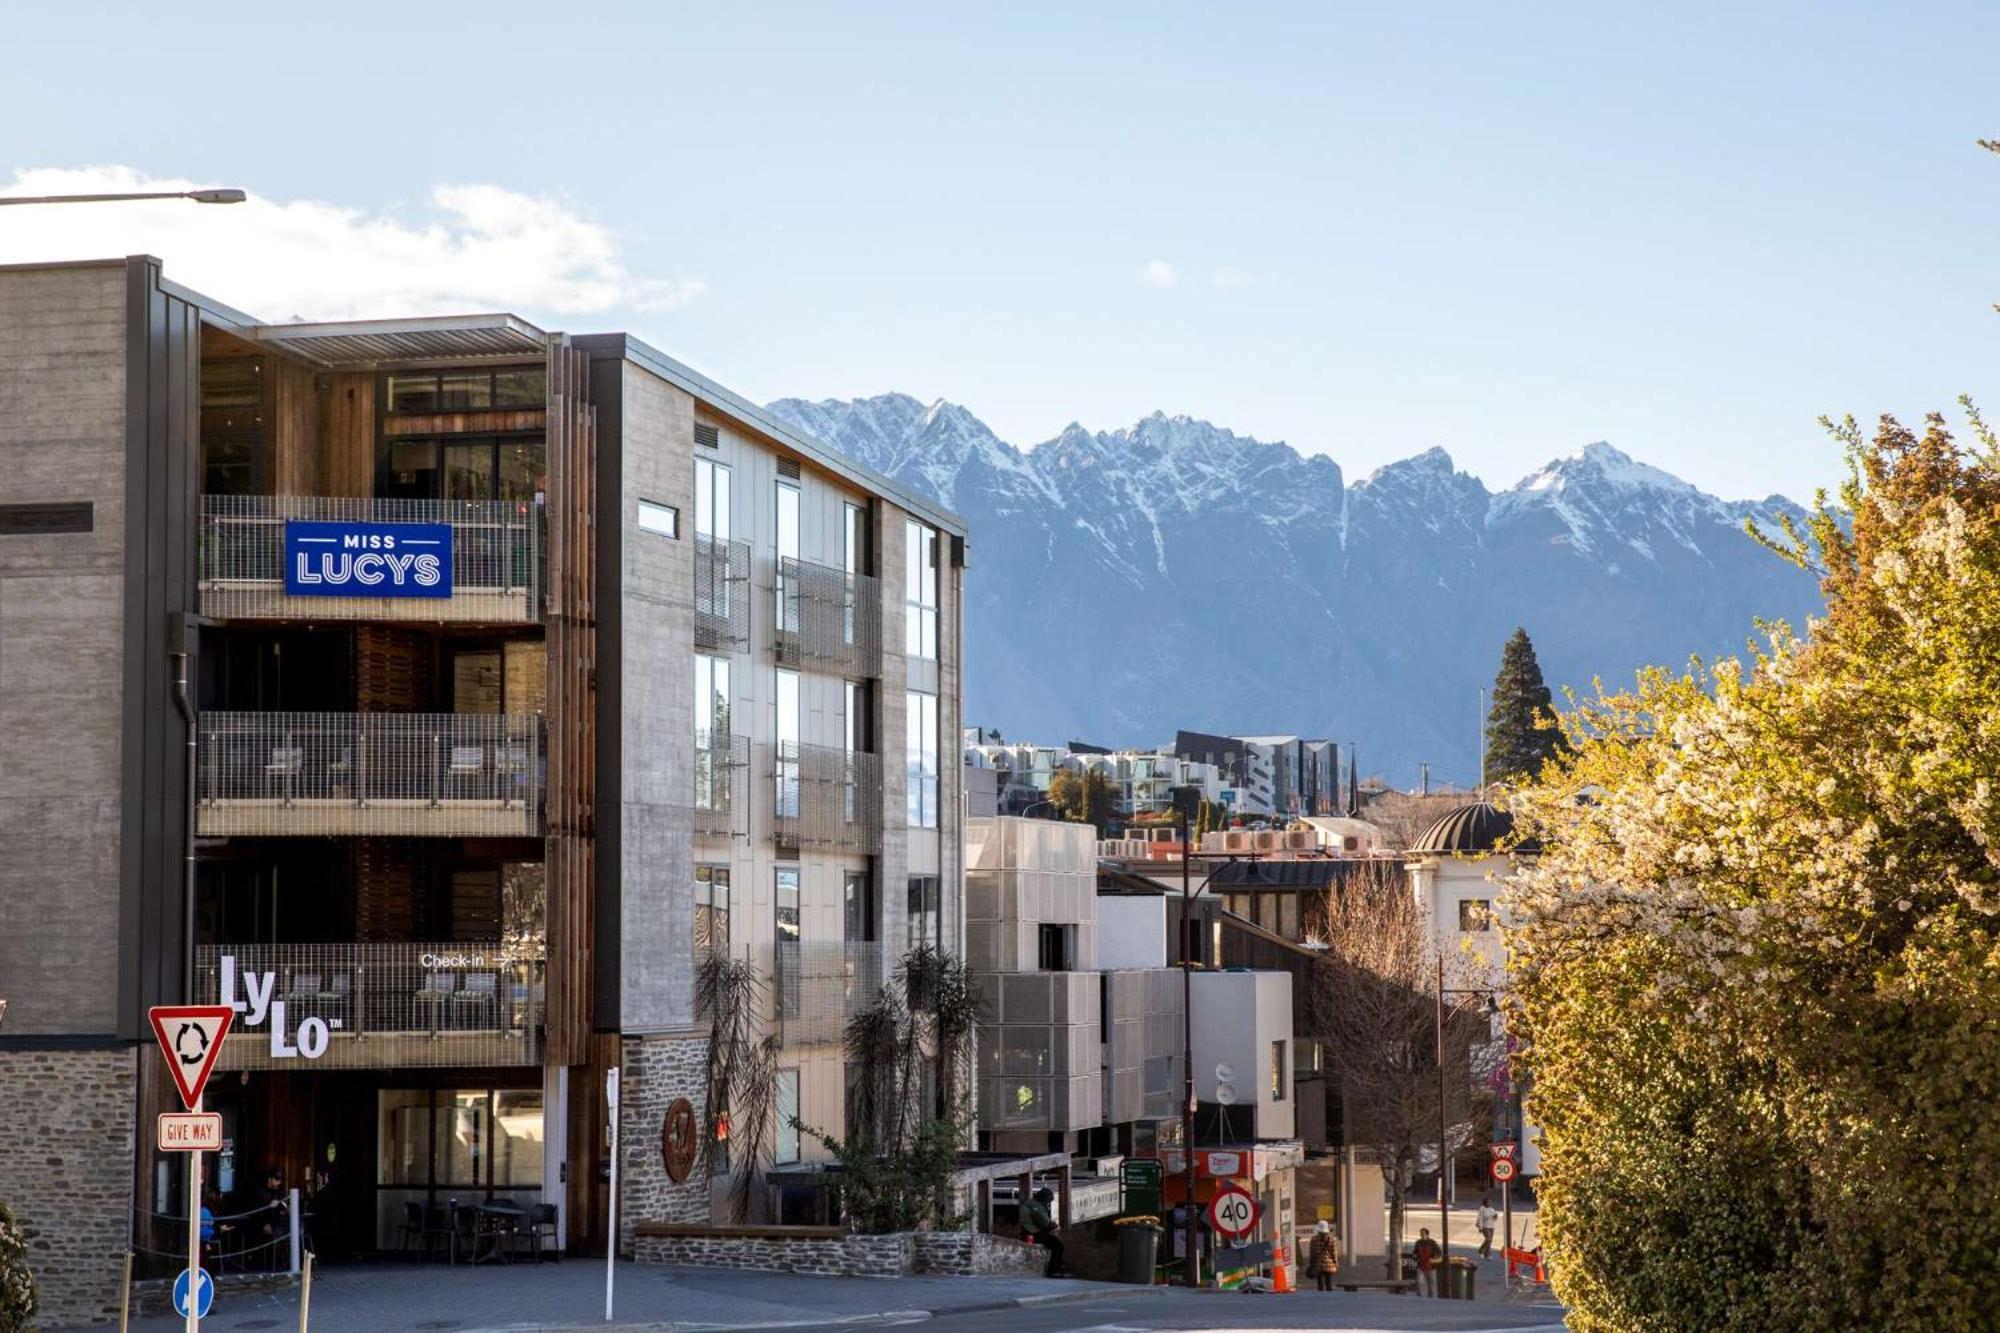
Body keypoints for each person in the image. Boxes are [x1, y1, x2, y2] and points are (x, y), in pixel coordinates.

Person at [1022, 1186, 1067, 1277]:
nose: (1048, 1203)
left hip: (1029, 1232)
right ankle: (1053, 1270)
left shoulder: (1031, 1203)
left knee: (1055, 1242)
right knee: (1058, 1245)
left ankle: (1059, 1266)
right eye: (1048, 1201)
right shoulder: (1036, 1207)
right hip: (1033, 1234)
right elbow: (1044, 1223)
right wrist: (1054, 1225)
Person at [1308, 1219, 1339, 1291]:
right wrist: (1336, 1263)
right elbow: (1334, 1253)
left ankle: (1320, 1297)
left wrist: (1312, 1263)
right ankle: (1329, 1297)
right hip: (1329, 1265)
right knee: (1329, 1283)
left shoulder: (1313, 1239)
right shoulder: (1331, 1240)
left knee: (1320, 1284)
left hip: (1318, 1264)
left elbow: (1312, 1253)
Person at [1413, 1226, 1441, 1297]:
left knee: (1431, 1284)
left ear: (1427, 1234)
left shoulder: (1432, 1243)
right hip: (1421, 1266)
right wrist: (1415, 1257)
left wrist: (1434, 1259)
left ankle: (1431, 1297)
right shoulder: (1418, 1243)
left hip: (1430, 1266)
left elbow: (1438, 1252)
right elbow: (1415, 1252)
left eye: (1423, 1234)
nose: (1421, 1235)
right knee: (1419, 1282)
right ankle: (1419, 1296)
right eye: (1421, 1234)